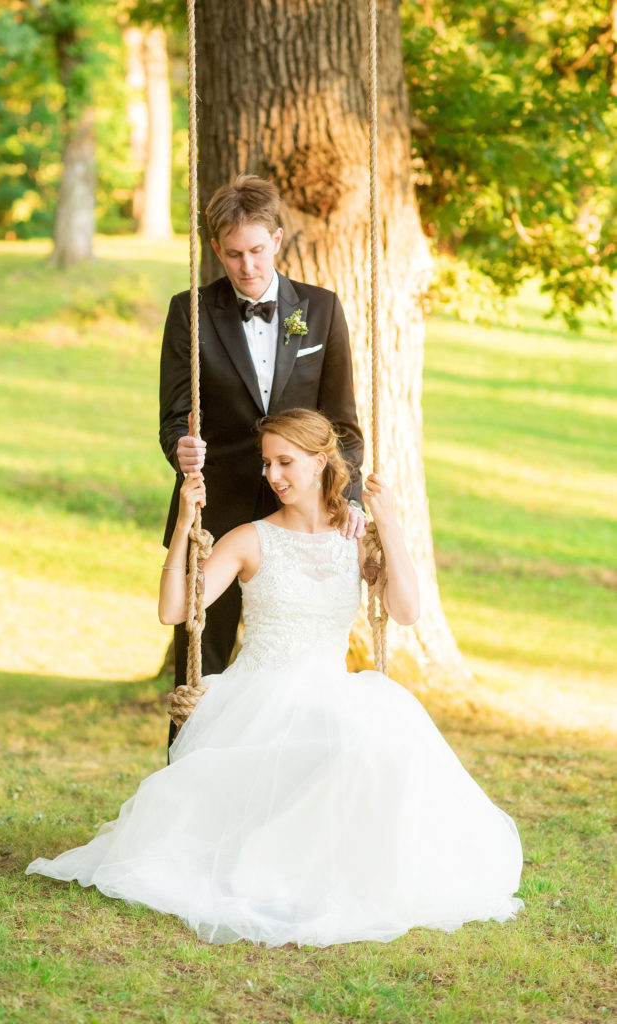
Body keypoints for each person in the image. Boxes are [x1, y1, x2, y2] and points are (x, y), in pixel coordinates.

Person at [26, 409, 524, 948]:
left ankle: (354, 868)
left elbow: (404, 611)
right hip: (259, 697)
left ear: (320, 462)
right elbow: (174, 609)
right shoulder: (249, 539)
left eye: (286, 462)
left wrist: (390, 521)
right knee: (346, 748)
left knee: (386, 742)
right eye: (267, 463)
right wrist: (184, 524)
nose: (274, 476)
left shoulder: (355, 535)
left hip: (333, 688)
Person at [159, 174, 365, 735]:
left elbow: (343, 423)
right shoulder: (191, 311)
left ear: (276, 240)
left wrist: (342, 500)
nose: (246, 266)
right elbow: (174, 416)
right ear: (216, 250)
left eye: (255, 251)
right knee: (203, 661)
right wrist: (182, 446)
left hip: (304, 516)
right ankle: (186, 787)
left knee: (300, 663)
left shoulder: (320, 310)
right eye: (232, 255)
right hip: (219, 508)